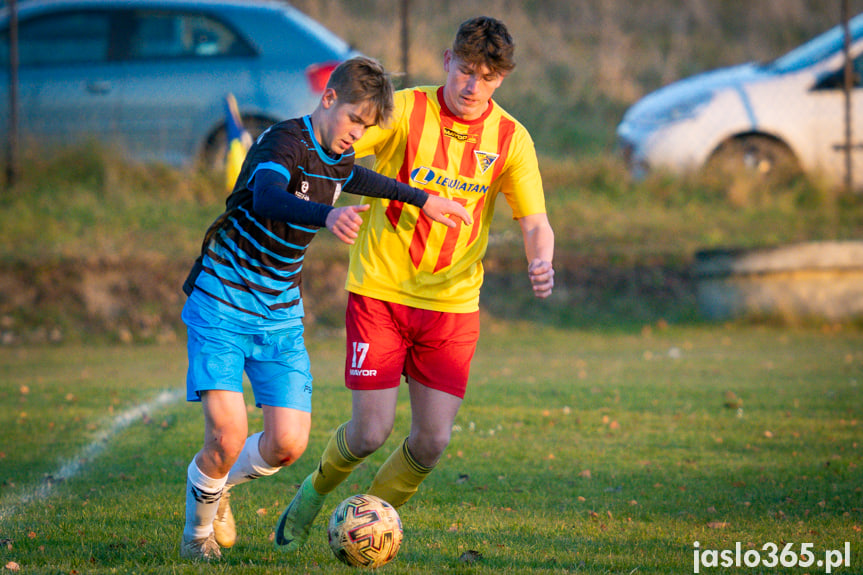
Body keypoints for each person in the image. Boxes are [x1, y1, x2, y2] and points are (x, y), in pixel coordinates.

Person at [274, 16, 555, 552]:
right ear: (448, 61)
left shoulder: (512, 139)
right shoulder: (404, 108)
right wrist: (319, 195)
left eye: (488, 78)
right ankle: (313, 494)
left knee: (431, 442)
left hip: (452, 305)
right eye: (467, 71)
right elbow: (341, 148)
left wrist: (540, 260)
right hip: (381, 290)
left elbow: (535, 222)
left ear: (502, 80)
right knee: (370, 433)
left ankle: (364, 526)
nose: (474, 87)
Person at [178, 56, 472, 561]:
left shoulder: (339, 156)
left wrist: (423, 200)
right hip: (223, 301)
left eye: (367, 127)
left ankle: (220, 485)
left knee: (287, 444)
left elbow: (363, 180)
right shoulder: (282, 142)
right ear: (329, 99)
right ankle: (197, 536)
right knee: (227, 434)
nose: (356, 133)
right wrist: (328, 214)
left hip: (278, 311)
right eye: (355, 119)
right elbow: (267, 196)